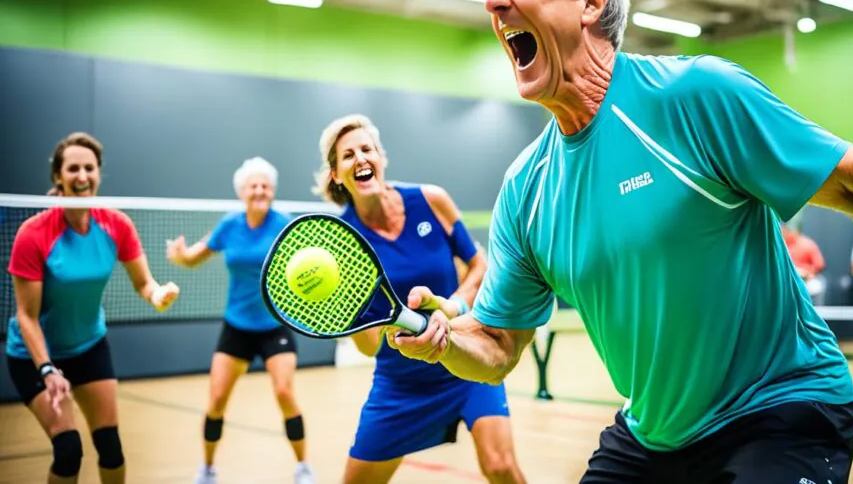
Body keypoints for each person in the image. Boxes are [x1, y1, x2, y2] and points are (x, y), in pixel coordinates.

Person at [383, 0, 853, 484]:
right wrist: (443, 339)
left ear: (590, 2)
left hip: (781, 409)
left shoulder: (696, 97)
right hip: (653, 434)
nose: (493, 1)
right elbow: (499, 343)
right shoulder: (526, 188)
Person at [312, 114, 526, 484]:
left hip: (463, 359)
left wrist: (454, 307)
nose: (361, 159)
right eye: (348, 155)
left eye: (368, 149)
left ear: (382, 158)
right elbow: (366, 346)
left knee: (501, 466)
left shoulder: (430, 200)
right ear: (336, 174)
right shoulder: (342, 242)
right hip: (401, 384)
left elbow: (480, 266)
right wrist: (355, 310)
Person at [6, 132, 180, 484]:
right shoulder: (34, 233)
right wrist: (47, 370)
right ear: (59, 176)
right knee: (69, 452)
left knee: (111, 447)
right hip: (35, 356)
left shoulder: (116, 224)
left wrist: (158, 294)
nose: (82, 176)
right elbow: (26, 315)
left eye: (89, 168)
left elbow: (144, 282)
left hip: (88, 347)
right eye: (73, 168)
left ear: (99, 173)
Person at [165, 157, 315, 484]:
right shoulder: (229, 225)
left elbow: (311, 266)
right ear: (242, 192)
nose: (259, 190)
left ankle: (303, 467)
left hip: (275, 324)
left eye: (265, 185)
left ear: (272, 191)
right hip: (236, 327)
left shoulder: (285, 224)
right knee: (217, 399)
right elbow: (194, 257)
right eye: (253, 185)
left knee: (285, 392)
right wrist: (181, 256)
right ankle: (207, 469)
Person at [781, 221, 826, 305]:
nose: (784, 232)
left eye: (787, 230)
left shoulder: (807, 244)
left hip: (807, 279)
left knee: (815, 287)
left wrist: (807, 272)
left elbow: (819, 265)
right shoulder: (781, 245)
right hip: (786, 280)